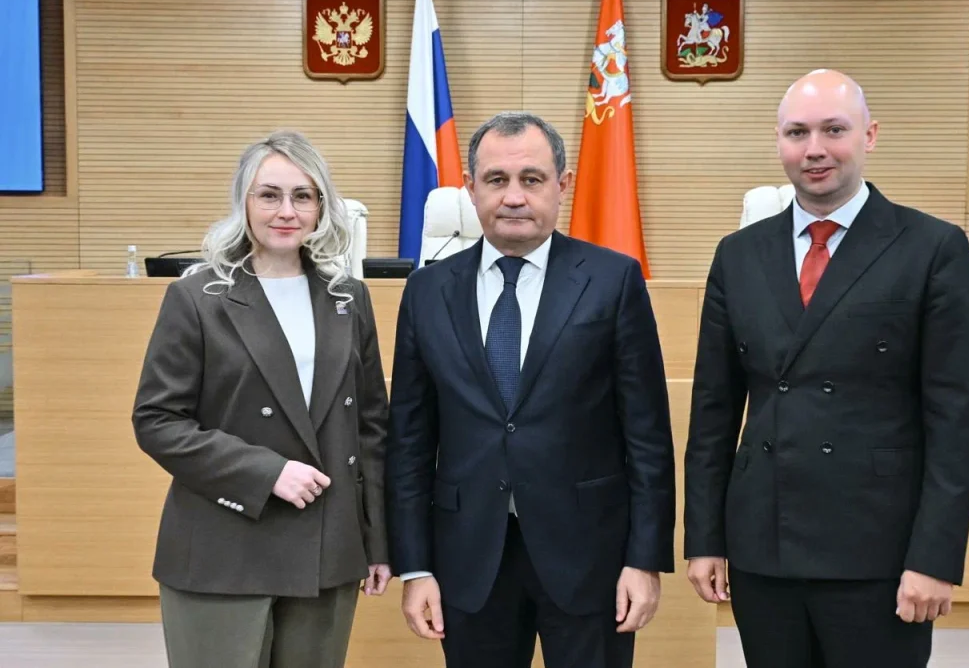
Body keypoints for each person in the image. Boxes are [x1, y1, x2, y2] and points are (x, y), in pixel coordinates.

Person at [683, 69, 969, 668]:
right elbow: (713, 412)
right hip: (762, 547)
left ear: (869, 135)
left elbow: (957, 422)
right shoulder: (738, 254)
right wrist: (705, 538)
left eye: (834, 130)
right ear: (779, 141)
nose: (814, 148)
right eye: (797, 132)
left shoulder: (932, 248)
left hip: (878, 550)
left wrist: (935, 557)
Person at [384, 112, 676, 668]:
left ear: (562, 185)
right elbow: (409, 442)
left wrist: (644, 559)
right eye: (496, 179)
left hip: (591, 556)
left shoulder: (613, 280)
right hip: (467, 556)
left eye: (532, 179)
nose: (514, 196)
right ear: (470, 188)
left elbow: (647, 435)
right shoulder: (426, 291)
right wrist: (415, 566)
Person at [132, 130, 391, 668]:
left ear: (322, 206)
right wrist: (266, 472)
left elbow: (371, 428)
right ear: (244, 203)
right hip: (224, 547)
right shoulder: (197, 297)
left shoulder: (348, 297)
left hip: (328, 549)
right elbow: (157, 420)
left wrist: (378, 541)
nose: (286, 211)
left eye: (303, 196)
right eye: (269, 194)